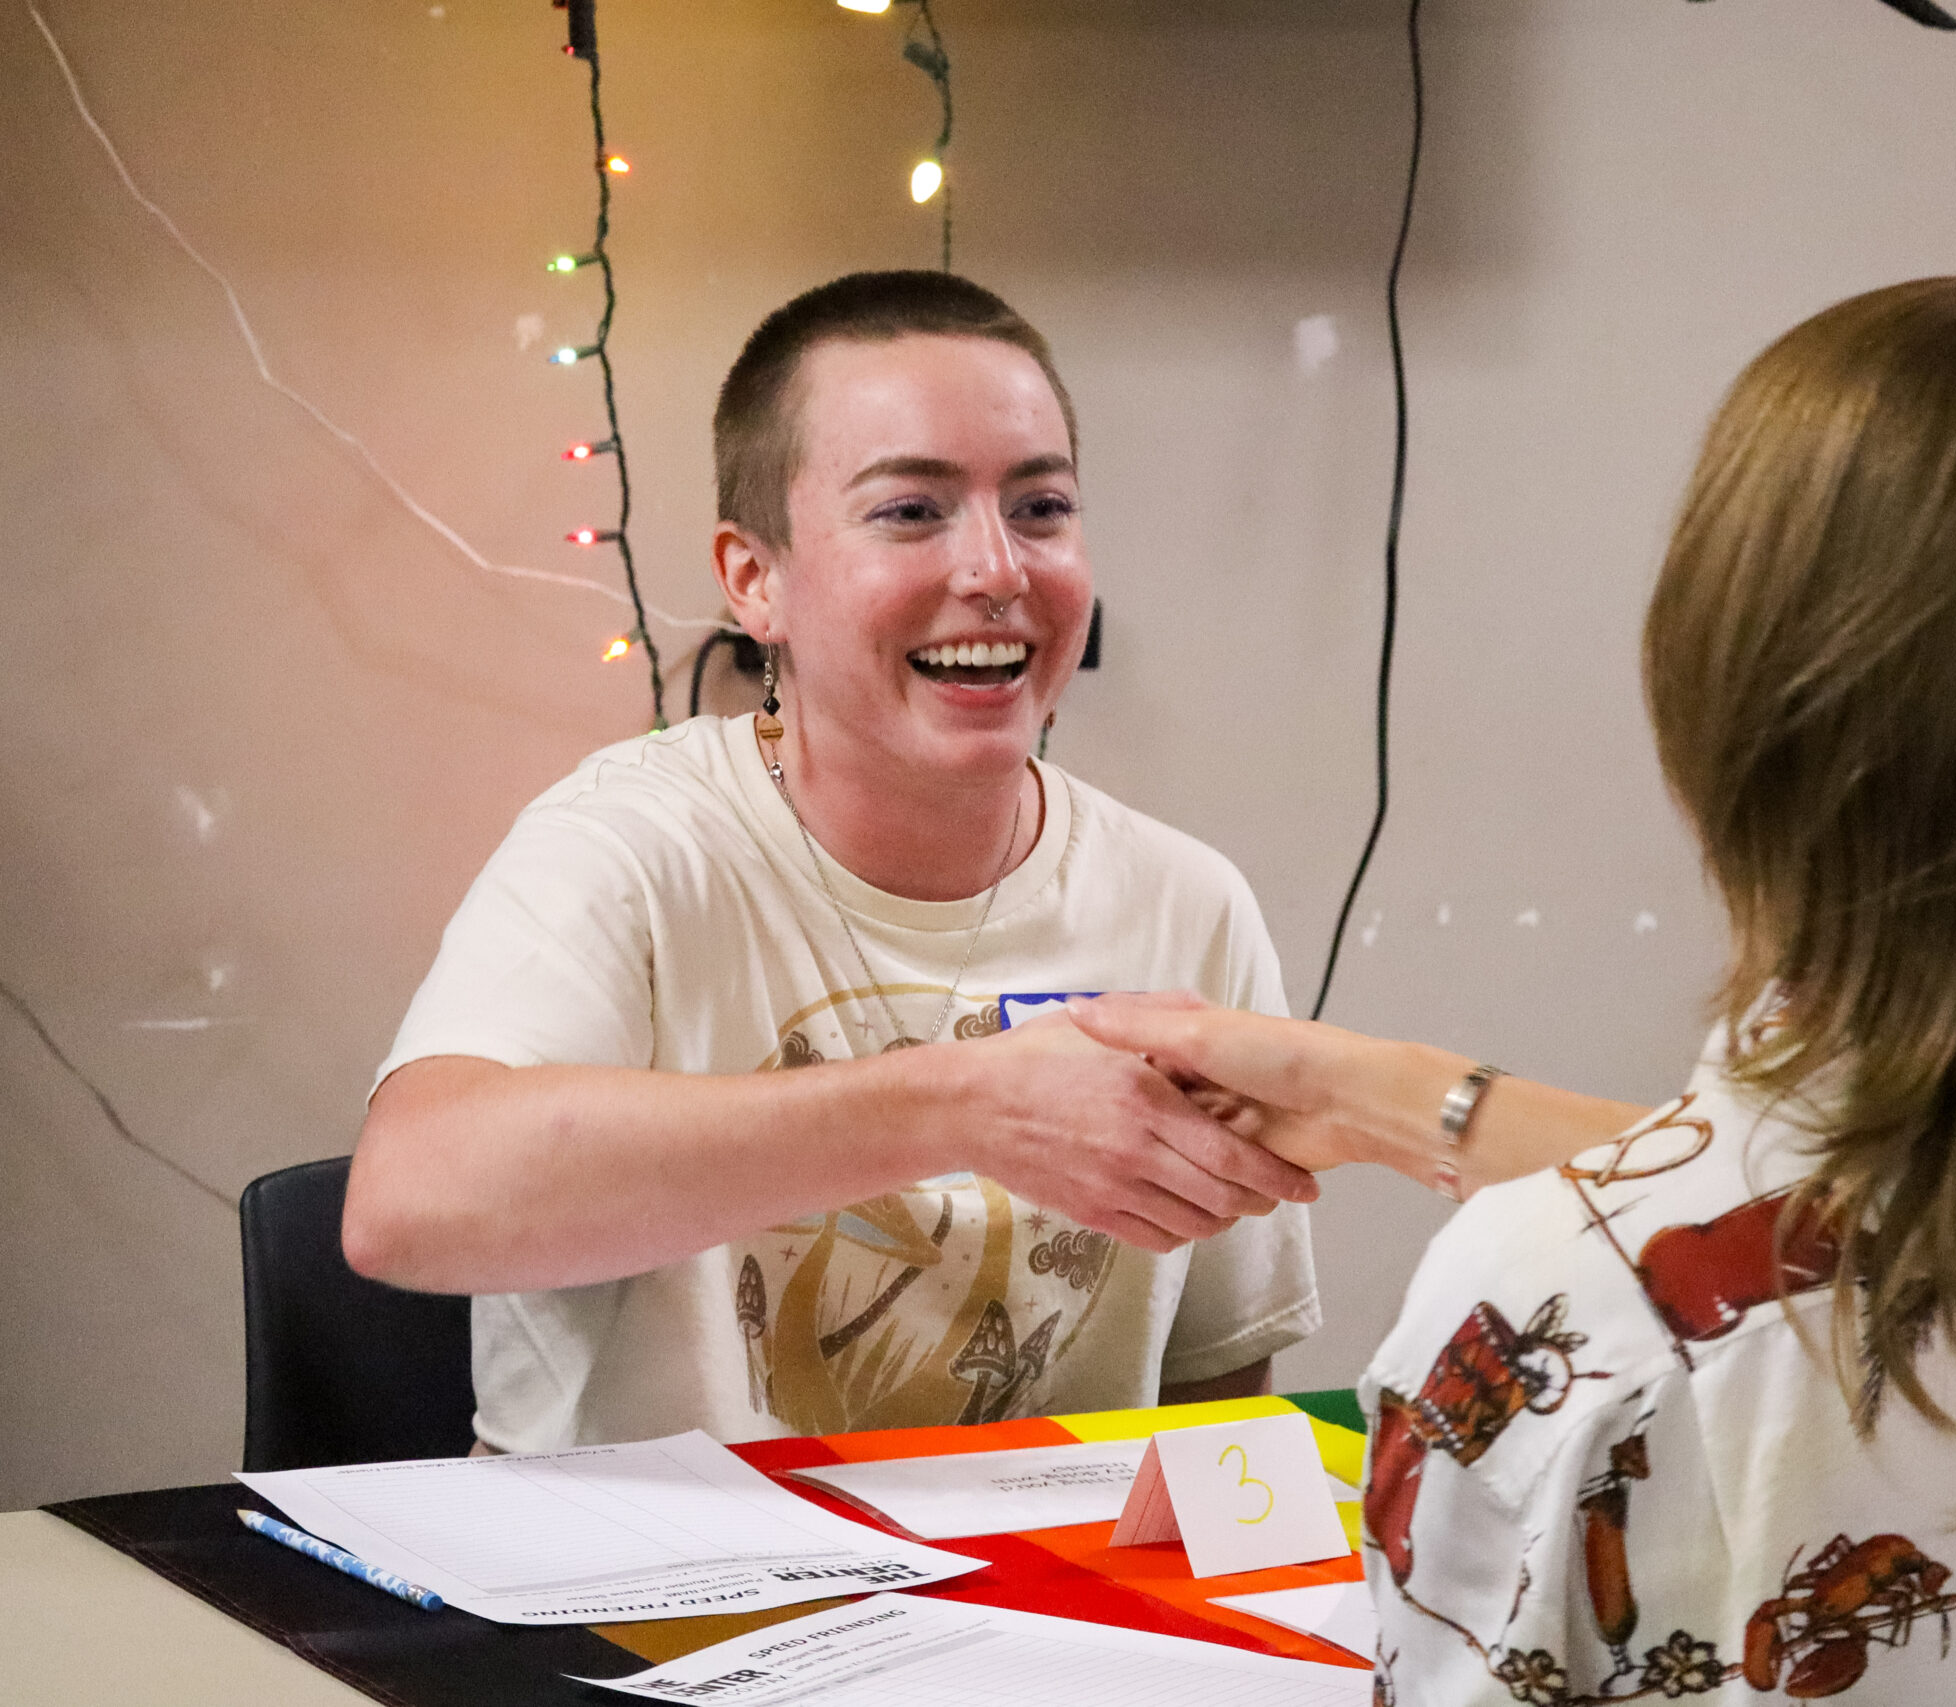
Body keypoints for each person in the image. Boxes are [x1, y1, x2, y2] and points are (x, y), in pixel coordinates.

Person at [1072, 278, 1956, 1703]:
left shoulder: (1552, 1308)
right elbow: (1888, 1207)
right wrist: (1393, 1091)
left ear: (1719, 677)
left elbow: (1750, 1250)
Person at [344, 271, 1321, 1454]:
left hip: (1031, 1613)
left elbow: (1216, 1395)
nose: (998, 570)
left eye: (1042, 507)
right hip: (640, 1615)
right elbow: (406, 1206)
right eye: (910, 512)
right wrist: (964, 1101)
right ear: (755, 581)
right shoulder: (631, 846)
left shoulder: (1185, 903)